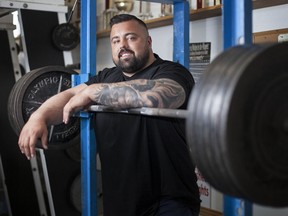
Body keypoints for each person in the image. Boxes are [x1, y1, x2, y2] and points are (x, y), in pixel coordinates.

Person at [18, 14, 201, 216]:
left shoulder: (171, 72)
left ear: (148, 42)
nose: (122, 45)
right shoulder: (107, 77)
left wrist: (91, 92)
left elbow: (162, 95)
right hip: (120, 201)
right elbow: (69, 95)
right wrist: (39, 116)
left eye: (131, 37)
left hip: (168, 202)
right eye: (116, 40)